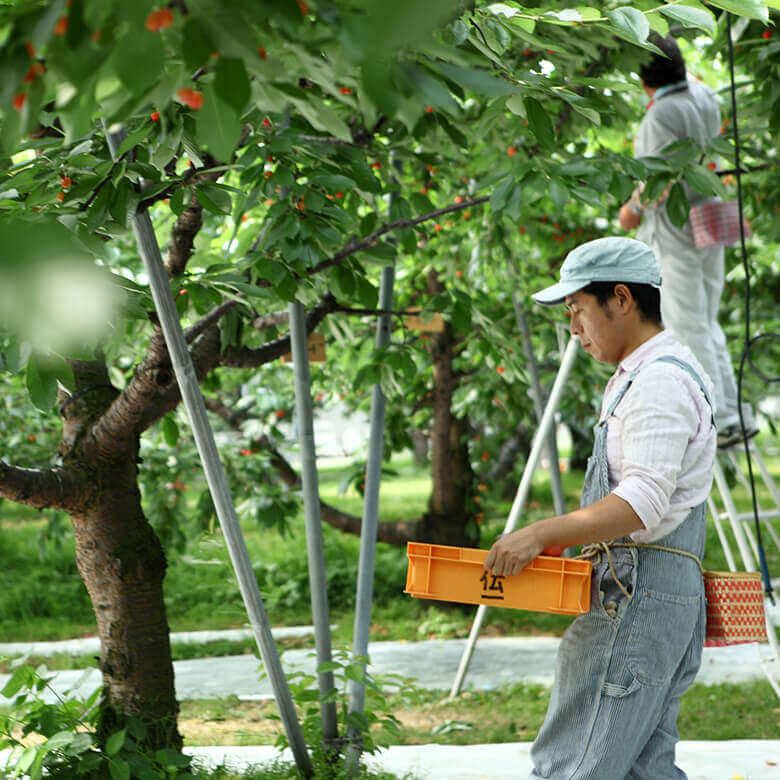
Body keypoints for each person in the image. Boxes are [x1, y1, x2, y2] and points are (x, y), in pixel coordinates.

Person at [485, 236, 716, 779]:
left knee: (575, 763)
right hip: (651, 594)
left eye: (577, 309)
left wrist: (540, 533)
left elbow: (642, 501)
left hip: (634, 599)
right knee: (643, 770)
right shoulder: (651, 372)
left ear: (621, 298)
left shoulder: (658, 381)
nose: (573, 329)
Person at [618, 34, 755, 449]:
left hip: (676, 229)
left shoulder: (659, 117)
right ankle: (733, 411)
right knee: (707, 320)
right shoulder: (703, 94)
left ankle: (723, 417)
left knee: (687, 322)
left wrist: (630, 211)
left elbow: (655, 183)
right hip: (710, 219)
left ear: (644, 79)